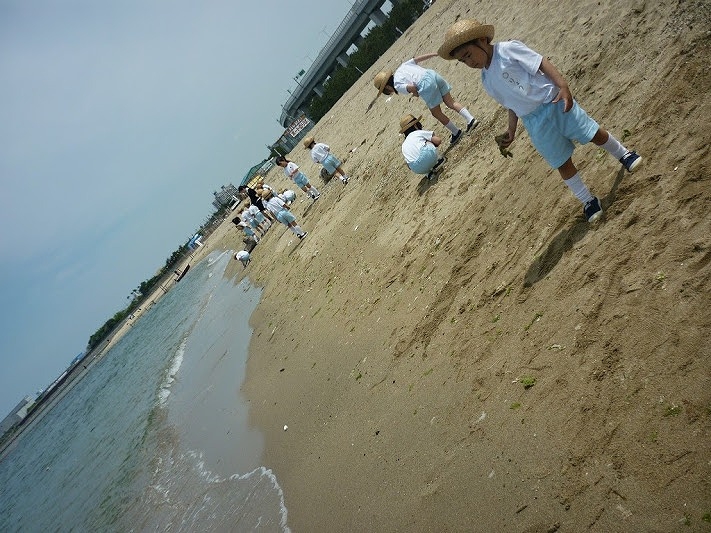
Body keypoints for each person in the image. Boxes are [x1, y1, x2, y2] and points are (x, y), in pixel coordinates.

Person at [437, 19, 643, 223]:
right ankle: (588, 200)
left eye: (468, 55)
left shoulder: (507, 50)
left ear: (482, 40)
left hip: (554, 101)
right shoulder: (486, 80)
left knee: (592, 133)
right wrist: (511, 130)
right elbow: (511, 104)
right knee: (561, 161)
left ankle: (624, 154)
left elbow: (541, 62)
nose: (469, 62)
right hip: (534, 122)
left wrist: (563, 85)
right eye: (463, 61)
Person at [373, 54, 479, 145]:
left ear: (387, 87)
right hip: (432, 74)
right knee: (451, 102)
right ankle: (471, 119)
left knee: (436, 113)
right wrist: (434, 54)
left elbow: (412, 87)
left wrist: (415, 94)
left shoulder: (397, 84)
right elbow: (418, 59)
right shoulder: (402, 66)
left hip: (426, 85)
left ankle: (456, 132)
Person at [399, 113, 446, 179]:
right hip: (428, 157)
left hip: (417, 169)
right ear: (415, 125)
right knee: (427, 141)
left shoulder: (404, 145)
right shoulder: (417, 133)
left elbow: (408, 165)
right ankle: (437, 162)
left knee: (413, 157)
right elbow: (438, 141)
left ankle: (428, 173)